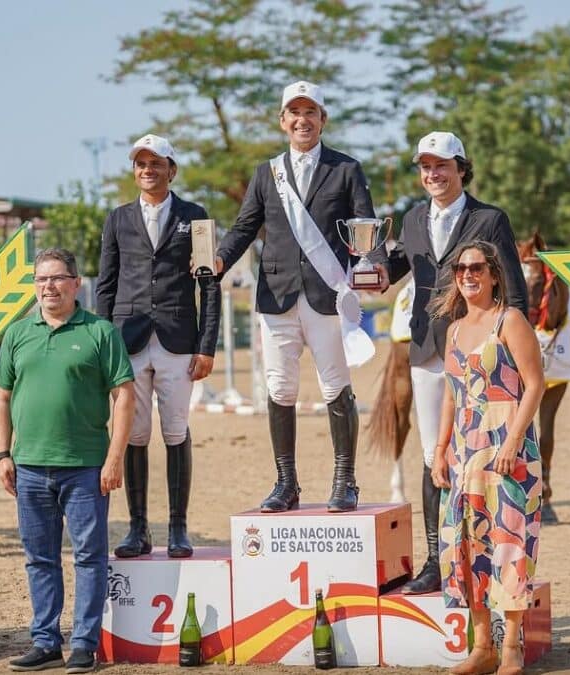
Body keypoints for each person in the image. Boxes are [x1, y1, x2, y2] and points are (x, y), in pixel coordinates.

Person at [374, 131, 528, 595]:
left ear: (462, 168)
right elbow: (396, 268)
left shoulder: (490, 218)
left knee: (483, 453)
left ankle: (489, 558)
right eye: (425, 166)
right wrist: (369, 265)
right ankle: (435, 560)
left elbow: (515, 288)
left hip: (480, 351)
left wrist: (511, 350)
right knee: (433, 455)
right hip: (425, 348)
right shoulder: (413, 218)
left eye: (442, 165)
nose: (432, 174)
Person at [214, 80, 376, 513]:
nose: (302, 120)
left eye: (311, 112)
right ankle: (286, 482)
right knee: (279, 388)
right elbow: (245, 226)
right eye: (294, 113)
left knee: (335, 386)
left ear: (322, 120)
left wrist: (368, 268)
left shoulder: (346, 169)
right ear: (283, 121)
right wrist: (218, 262)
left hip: (326, 294)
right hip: (276, 295)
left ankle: (345, 480)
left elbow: (365, 227)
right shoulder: (267, 173)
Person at [0, 248, 135, 673]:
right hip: (30, 467)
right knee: (39, 557)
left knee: (89, 556)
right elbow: (2, 398)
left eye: (57, 278)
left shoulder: (100, 332)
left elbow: (125, 396)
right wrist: (3, 454)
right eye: (41, 280)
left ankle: (84, 645)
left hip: (86, 466)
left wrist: (115, 458)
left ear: (76, 283)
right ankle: (45, 642)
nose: (49, 287)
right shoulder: (17, 334)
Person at [96, 133, 220, 559]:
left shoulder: (196, 217)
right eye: (140, 163)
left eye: (155, 163)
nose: (147, 170)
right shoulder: (116, 219)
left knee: (174, 430)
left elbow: (210, 286)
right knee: (134, 434)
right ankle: (137, 529)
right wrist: (102, 343)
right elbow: (106, 286)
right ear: (134, 170)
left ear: (172, 169)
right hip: (127, 341)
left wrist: (207, 345)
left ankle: (178, 528)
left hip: (178, 339)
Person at [429, 241, 544, 675]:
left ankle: (511, 646)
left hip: (507, 447)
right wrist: (440, 450)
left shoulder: (509, 320)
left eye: (476, 267)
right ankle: (482, 647)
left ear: (495, 274)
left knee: (510, 543)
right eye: (460, 268)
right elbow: (450, 395)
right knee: (466, 545)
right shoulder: (454, 329)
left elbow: (534, 384)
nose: (467, 274)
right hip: (464, 452)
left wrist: (513, 440)